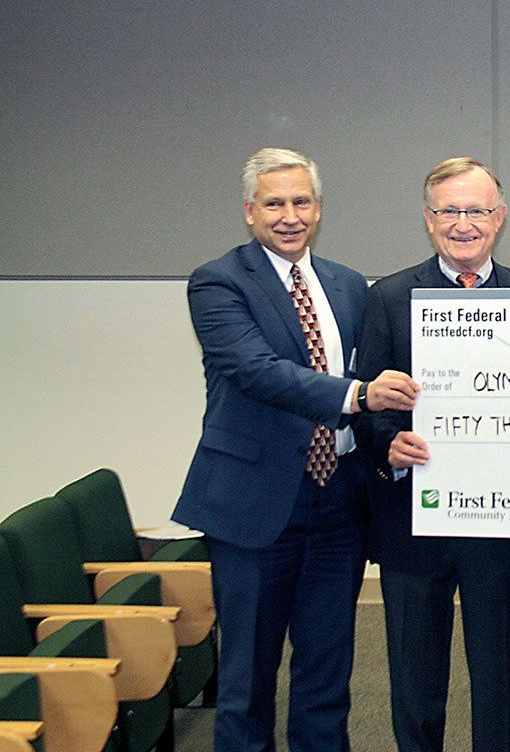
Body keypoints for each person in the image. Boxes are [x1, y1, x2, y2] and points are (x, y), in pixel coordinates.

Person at [173, 148, 418, 751]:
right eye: (274, 203)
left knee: (326, 676)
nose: (290, 215)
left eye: (301, 201)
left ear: (318, 209)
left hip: (338, 502)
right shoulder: (218, 281)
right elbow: (257, 371)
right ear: (250, 212)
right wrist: (359, 395)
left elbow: (387, 364)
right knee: (247, 684)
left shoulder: (348, 285)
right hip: (253, 509)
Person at [352, 157, 510, 752]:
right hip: (411, 522)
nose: (463, 223)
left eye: (476, 210)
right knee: (415, 685)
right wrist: (388, 443)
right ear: (428, 219)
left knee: (499, 680)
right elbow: (367, 402)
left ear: (499, 218)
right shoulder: (389, 297)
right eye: (449, 211)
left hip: (499, 524)